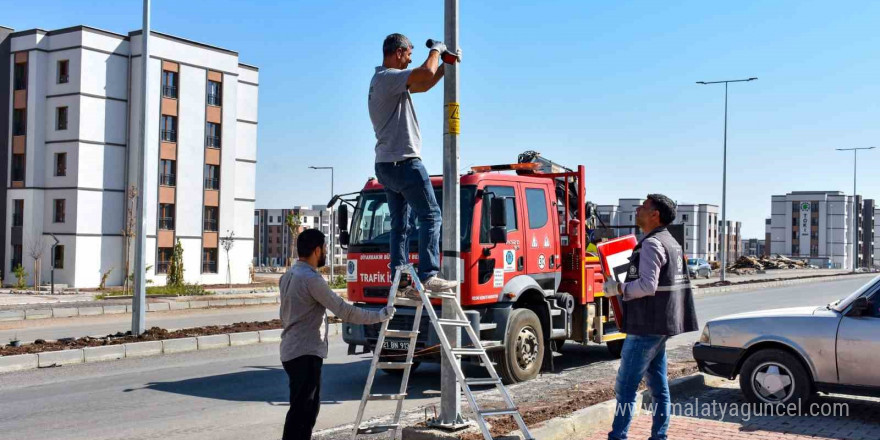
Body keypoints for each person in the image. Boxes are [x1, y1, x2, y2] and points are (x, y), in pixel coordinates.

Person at [279, 229, 395, 440]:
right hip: (304, 352)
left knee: (304, 409)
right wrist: (380, 315)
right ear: (316, 250)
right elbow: (344, 310)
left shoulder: (288, 275)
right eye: (324, 248)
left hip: (292, 350)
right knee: (303, 413)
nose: (325, 253)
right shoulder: (311, 279)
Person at [602, 194, 699, 440]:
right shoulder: (671, 243)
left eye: (644, 207)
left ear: (655, 214)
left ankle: (619, 436)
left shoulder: (652, 244)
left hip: (646, 325)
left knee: (625, 388)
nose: (638, 209)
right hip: (662, 324)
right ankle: (659, 436)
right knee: (658, 387)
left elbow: (647, 286)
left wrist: (619, 288)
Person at [368, 33, 457, 293]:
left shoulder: (384, 82)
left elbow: (425, 81)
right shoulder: (387, 77)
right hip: (404, 163)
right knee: (431, 215)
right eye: (408, 55)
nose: (409, 60)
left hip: (386, 165)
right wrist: (437, 50)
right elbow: (424, 70)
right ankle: (428, 275)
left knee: (401, 225)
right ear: (398, 52)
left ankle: (401, 277)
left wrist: (445, 66)